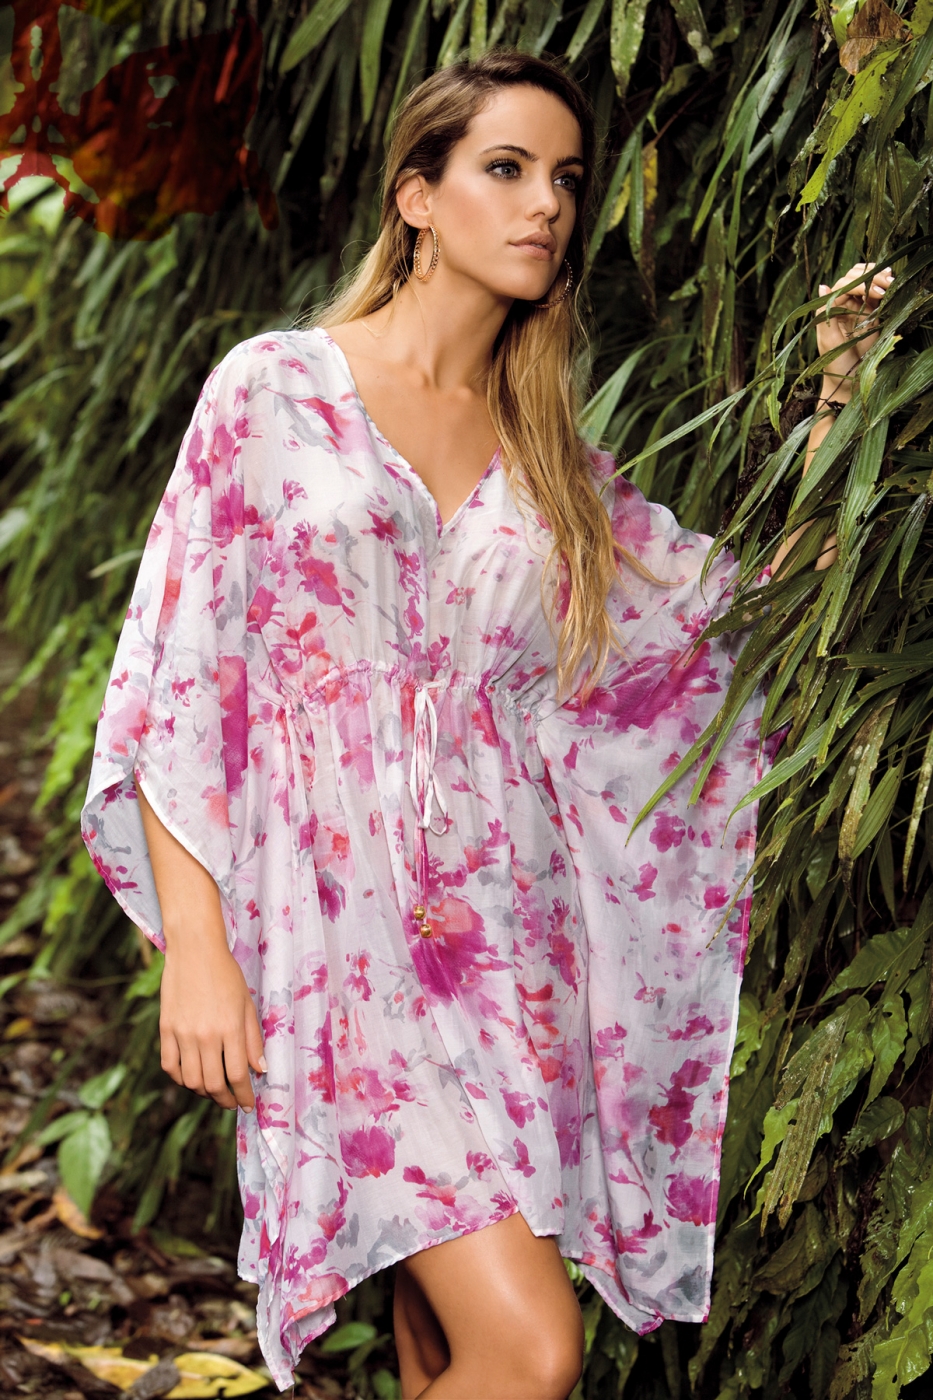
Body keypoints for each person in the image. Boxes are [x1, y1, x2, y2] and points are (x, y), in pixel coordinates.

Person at [80, 48, 892, 1400]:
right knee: (528, 1353)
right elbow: (180, 678)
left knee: (450, 1354)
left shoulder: (551, 465)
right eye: (505, 169)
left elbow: (732, 623)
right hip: (342, 946)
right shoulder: (272, 392)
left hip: (508, 950)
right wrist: (198, 947)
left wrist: (841, 399)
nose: (545, 205)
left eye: (564, 179)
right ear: (416, 195)